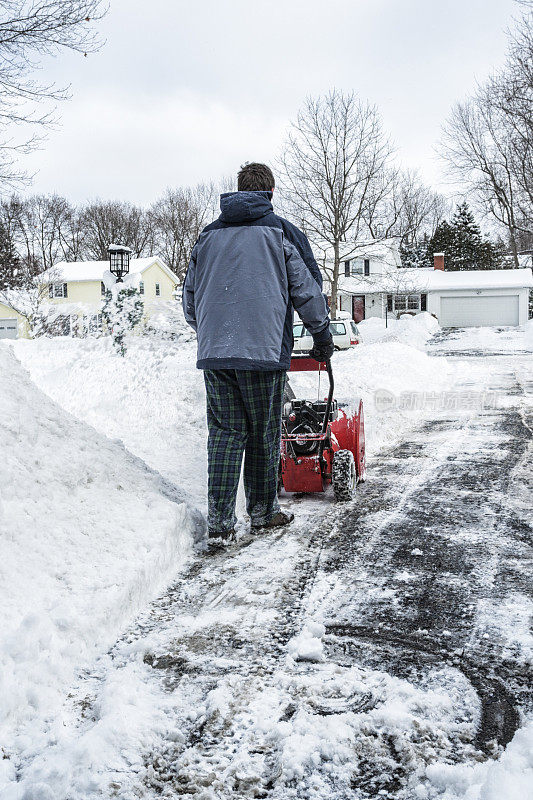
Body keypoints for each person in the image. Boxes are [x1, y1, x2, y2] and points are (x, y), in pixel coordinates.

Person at [183, 162, 333, 542]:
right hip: (264, 353)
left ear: (238, 190)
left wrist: (213, 333)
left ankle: (219, 524)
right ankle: (263, 513)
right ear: (270, 192)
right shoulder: (281, 232)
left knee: (224, 433)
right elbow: (307, 289)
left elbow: (189, 301)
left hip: (216, 354)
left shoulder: (207, 236)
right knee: (263, 431)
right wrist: (321, 335)